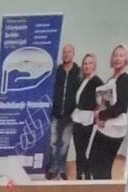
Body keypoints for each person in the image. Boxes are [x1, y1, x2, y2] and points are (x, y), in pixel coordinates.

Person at [88, 46, 128, 179]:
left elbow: (121, 107)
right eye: (115, 55)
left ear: (126, 59)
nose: (117, 58)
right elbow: (107, 103)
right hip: (105, 127)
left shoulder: (126, 79)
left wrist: (100, 116)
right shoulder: (112, 78)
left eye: (121, 55)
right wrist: (98, 113)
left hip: (114, 129)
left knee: (103, 168)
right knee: (94, 164)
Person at [47, 43, 79, 180]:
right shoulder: (57, 71)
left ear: (73, 54)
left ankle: (62, 169)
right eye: (64, 52)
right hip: (56, 113)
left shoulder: (79, 72)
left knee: (65, 143)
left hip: (70, 115)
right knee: (53, 142)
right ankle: (53, 168)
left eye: (69, 52)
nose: (66, 54)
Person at [71, 56, 100, 182]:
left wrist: (97, 115)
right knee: (78, 149)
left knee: (84, 150)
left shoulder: (97, 81)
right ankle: (79, 174)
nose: (87, 66)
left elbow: (102, 102)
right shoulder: (82, 79)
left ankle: (87, 175)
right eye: (85, 63)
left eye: (90, 63)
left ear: (94, 65)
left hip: (88, 118)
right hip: (77, 116)